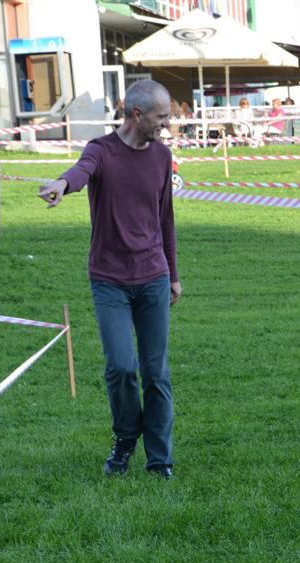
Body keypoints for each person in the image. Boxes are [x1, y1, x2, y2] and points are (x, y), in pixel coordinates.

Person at [37, 80, 181, 477]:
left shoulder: (161, 156)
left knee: (156, 372)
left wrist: (173, 275)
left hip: (153, 276)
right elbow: (81, 172)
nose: (166, 124)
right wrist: (61, 184)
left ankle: (159, 459)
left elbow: (165, 218)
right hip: (110, 280)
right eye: (161, 117)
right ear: (137, 114)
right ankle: (125, 439)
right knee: (120, 367)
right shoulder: (100, 150)